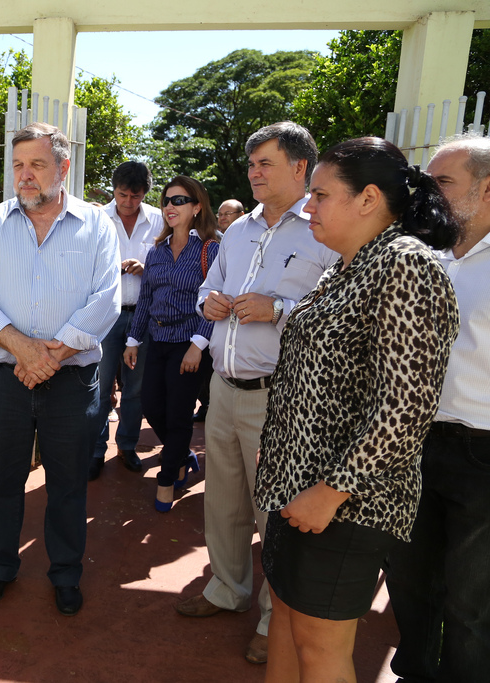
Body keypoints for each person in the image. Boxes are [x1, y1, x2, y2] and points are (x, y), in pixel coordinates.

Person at [255, 137, 460, 682]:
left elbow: (406, 407)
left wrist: (330, 492)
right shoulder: (346, 267)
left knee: (321, 650)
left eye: (320, 195)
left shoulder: (406, 268)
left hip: (345, 505)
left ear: (368, 199)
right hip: (295, 492)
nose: (308, 206)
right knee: (286, 629)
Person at [179, 122, 338, 666]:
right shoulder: (240, 229)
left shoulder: (323, 230)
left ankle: (276, 617)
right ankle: (227, 588)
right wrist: (210, 304)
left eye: (265, 164)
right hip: (223, 386)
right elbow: (207, 287)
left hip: (280, 397)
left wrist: (278, 310)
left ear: (301, 168)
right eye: (250, 165)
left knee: (276, 512)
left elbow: (338, 317)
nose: (253, 173)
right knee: (222, 501)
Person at [0, 122, 120, 616]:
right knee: (3, 481)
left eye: (38, 165)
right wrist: (24, 352)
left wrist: (48, 357)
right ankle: (0, 569)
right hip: (7, 380)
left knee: (68, 485)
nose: (25, 176)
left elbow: (106, 302)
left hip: (70, 381)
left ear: (64, 168)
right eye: (18, 166)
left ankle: (66, 573)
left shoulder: (96, 225)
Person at [386, 134, 490, 683]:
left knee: (471, 604)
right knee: (407, 580)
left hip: (480, 453)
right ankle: (415, 672)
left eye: (443, 182)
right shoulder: (422, 255)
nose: (430, 192)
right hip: (411, 443)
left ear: (487, 187)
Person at [123, 176, 219, 512]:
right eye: (166, 201)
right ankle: (181, 455)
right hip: (158, 339)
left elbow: (218, 300)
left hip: (190, 341)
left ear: (197, 207)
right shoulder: (156, 251)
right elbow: (146, 298)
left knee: (179, 414)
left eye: (179, 201)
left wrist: (198, 343)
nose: (169, 207)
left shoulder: (211, 249)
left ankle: (167, 480)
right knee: (151, 406)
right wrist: (133, 339)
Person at [89, 161, 164, 480]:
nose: (128, 202)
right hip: (106, 315)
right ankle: (95, 450)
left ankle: (128, 445)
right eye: (122, 195)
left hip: (143, 316)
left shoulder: (161, 221)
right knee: (100, 386)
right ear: (114, 190)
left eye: (135, 196)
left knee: (135, 388)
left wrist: (148, 271)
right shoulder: (96, 219)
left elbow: (173, 264)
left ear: (145, 193)